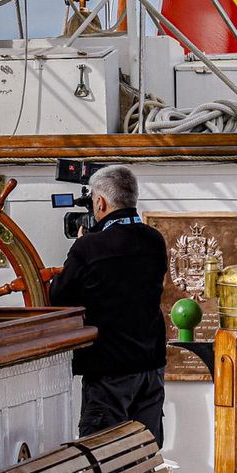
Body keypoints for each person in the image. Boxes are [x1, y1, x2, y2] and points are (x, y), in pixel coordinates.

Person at [48, 165, 169, 444]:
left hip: (109, 371)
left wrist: (79, 248)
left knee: (102, 457)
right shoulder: (154, 240)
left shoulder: (88, 248)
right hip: (150, 368)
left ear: (100, 202)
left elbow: (59, 298)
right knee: (143, 454)